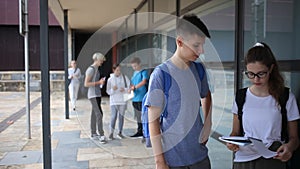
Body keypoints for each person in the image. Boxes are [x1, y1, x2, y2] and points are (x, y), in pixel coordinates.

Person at [144, 14, 212, 169]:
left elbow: (206, 95)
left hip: (200, 156)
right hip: (173, 160)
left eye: (202, 45)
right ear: (180, 42)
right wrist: (159, 162)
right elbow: (152, 120)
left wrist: (208, 123)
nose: (201, 50)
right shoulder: (161, 74)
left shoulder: (199, 69)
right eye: (196, 45)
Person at [227, 42, 300, 169]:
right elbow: (235, 132)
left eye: (261, 74)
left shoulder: (285, 97)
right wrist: (231, 142)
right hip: (243, 160)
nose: (256, 79)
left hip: (272, 159)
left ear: (271, 69)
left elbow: (295, 138)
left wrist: (289, 148)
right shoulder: (241, 97)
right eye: (251, 74)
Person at [84, 52, 107, 144]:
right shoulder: (91, 70)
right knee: (99, 114)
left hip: (97, 94)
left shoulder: (96, 69)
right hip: (93, 95)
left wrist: (100, 82)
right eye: (101, 60)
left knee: (94, 114)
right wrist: (99, 83)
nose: (102, 62)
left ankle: (93, 132)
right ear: (97, 60)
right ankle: (101, 134)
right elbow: (86, 84)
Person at [106, 64, 130, 140]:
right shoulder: (110, 79)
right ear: (114, 70)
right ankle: (111, 133)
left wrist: (125, 90)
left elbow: (129, 88)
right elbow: (108, 91)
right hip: (114, 100)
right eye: (117, 70)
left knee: (121, 117)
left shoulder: (124, 77)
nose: (118, 72)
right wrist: (113, 89)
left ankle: (120, 132)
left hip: (122, 100)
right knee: (113, 116)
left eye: (119, 70)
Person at [130, 57, 149, 137]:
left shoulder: (143, 72)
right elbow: (132, 83)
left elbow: (144, 81)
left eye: (135, 66)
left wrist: (135, 87)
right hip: (135, 97)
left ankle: (145, 131)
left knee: (143, 115)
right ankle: (139, 130)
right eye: (133, 66)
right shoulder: (134, 73)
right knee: (138, 116)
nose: (134, 68)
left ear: (139, 64)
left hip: (142, 96)